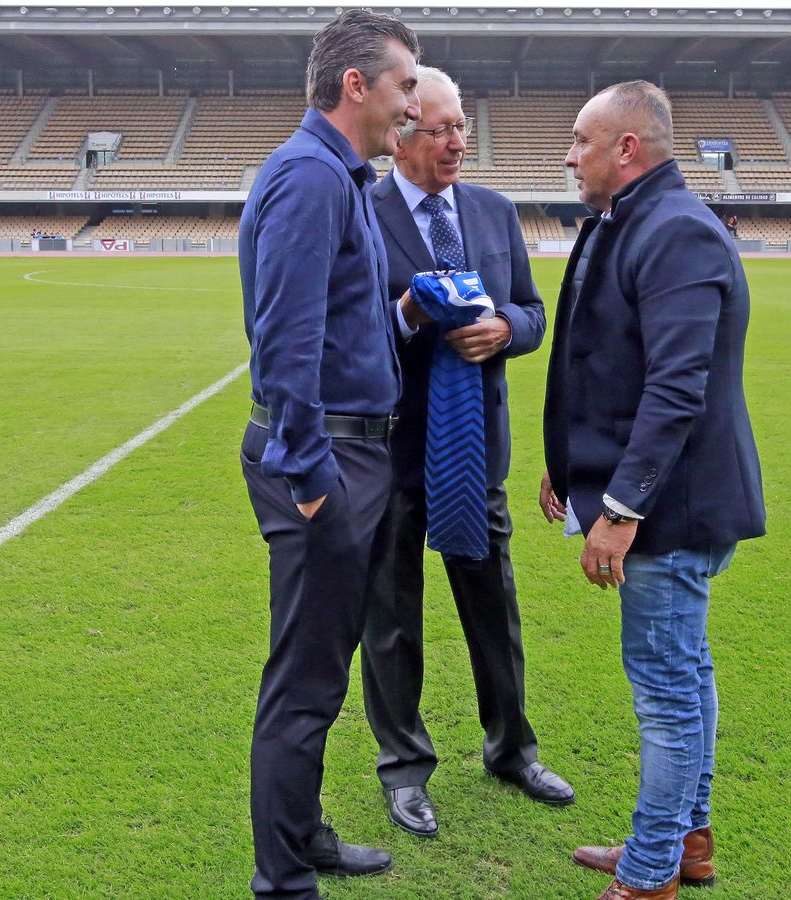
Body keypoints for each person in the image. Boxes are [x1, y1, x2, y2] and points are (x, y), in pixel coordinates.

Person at [544, 80, 765, 900]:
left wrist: (620, 508)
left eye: (581, 141)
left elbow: (677, 388)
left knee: (667, 692)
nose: (571, 157)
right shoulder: (634, 220)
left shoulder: (674, 231)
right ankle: (685, 842)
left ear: (626, 148)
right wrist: (569, 461)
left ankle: (649, 875)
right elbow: (612, 363)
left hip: (670, 509)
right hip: (663, 497)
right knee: (687, 675)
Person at [236, 10, 419, 898]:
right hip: (326, 462)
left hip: (352, 455)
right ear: (356, 85)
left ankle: (302, 835)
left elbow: (343, 325)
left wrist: (406, 318)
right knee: (304, 681)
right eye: (404, 86)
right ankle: (284, 880)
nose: (411, 106)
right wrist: (312, 483)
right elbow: (286, 342)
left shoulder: (338, 176)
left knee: (323, 667)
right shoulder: (312, 177)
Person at [361, 65, 571, 840]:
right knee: (392, 620)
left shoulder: (493, 209)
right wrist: (406, 314)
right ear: (400, 137)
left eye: (462, 129)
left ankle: (512, 751)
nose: (457, 144)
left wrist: (506, 329)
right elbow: (345, 330)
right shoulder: (361, 212)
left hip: (475, 451)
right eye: (441, 130)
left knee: (493, 611)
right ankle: (404, 768)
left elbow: (534, 310)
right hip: (390, 453)